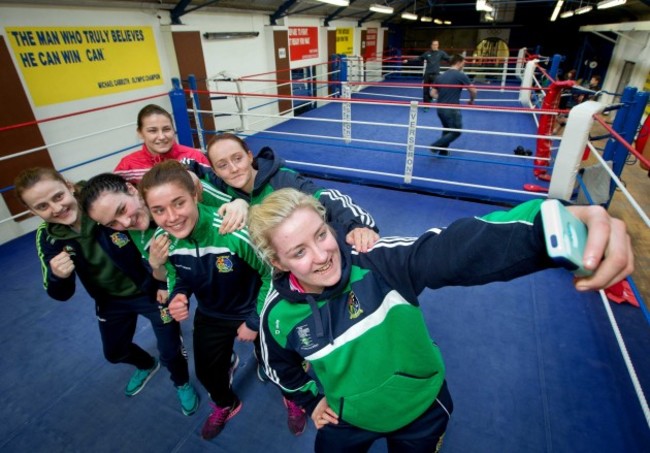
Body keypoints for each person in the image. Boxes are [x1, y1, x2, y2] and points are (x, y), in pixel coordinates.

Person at [247, 188, 634, 453]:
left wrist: (546, 226)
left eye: (321, 234)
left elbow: (454, 249)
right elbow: (278, 366)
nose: (321, 255)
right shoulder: (277, 317)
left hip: (422, 408)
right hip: (347, 419)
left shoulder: (382, 263)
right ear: (278, 264)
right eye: (299, 251)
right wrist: (310, 399)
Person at [13, 167, 199, 416]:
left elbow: (155, 198)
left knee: (170, 351)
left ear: (68, 186)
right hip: (109, 301)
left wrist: (164, 285)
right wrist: (59, 276)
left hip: (150, 293)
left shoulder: (102, 204)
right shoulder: (48, 238)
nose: (56, 209)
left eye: (58, 197)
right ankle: (146, 363)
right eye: (43, 206)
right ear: (33, 212)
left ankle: (181, 382)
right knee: (114, 352)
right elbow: (59, 293)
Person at [137, 160, 274, 441]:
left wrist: (254, 320)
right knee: (206, 372)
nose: (172, 217)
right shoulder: (164, 240)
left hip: (254, 307)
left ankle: (295, 396)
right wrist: (178, 295)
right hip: (212, 313)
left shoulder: (231, 231)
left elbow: (272, 274)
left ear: (195, 195)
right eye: (159, 210)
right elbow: (178, 274)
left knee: (281, 363)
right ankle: (226, 403)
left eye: (179, 203)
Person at [187, 133, 380, 253]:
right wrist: (189, 174)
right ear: (215, 170)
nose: (233, 168)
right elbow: (191, 166)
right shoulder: (219, 182)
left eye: (237, 158)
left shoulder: (283, 180)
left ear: (249, 155)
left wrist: (359, 226)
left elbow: (328, 197)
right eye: (222, 165)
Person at [114, 104, 211, 184]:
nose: (161, 137)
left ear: (173, 130)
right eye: (152, 131)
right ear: (140, 133)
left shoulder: (194, 157)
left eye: (166, 129)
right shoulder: (128, 165)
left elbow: (216, 191)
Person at [430, 54, 477, 156]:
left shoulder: (440, 76)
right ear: (458, 62)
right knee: (456, 131)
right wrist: (471, 100)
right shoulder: (460, 75)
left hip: (440, 109)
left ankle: (443, 151)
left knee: (447, 129)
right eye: (463, 63)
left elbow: (432, 94)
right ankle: (436, 146)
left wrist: (442, 97)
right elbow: (473, 91)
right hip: (452, 109)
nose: (464, 65)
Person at [411, 39, 451, 105]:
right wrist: (408, 61)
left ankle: (440, 100)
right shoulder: (427, 53)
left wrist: (458, 59)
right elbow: (419, 58)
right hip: (427, 74)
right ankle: (426, 104)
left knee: (437, 89)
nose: (435, 46)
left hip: (435, 75)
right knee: (425, 90)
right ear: (431, 45)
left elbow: (449, 58)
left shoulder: (441, 53)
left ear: (438, 45)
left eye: (436, 45)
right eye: (434, 45)